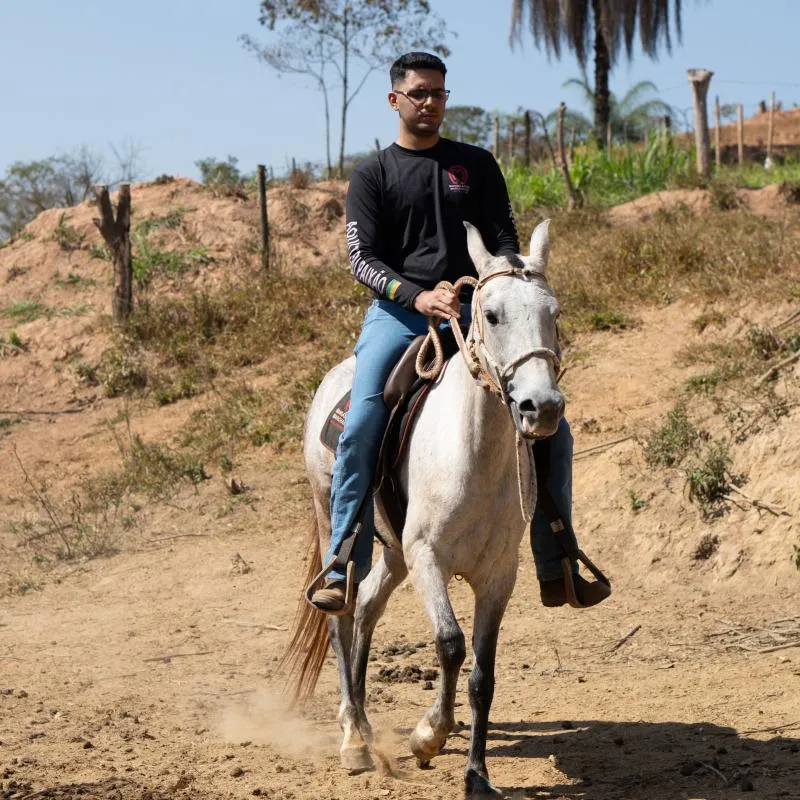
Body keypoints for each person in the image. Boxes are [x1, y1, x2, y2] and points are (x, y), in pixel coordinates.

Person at [310, 51, 610, 613]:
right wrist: (418, 295)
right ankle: (343, 561)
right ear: (395, 99)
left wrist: (492, 284)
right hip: (399, 315)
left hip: (477, 314)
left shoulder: (476, 164)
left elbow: (505, 240)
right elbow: (361, 259)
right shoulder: (373, 175)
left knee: (554, 426)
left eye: (438, 93)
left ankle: (559, 562)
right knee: (364, 417)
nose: (430, 102)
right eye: (419, 93)